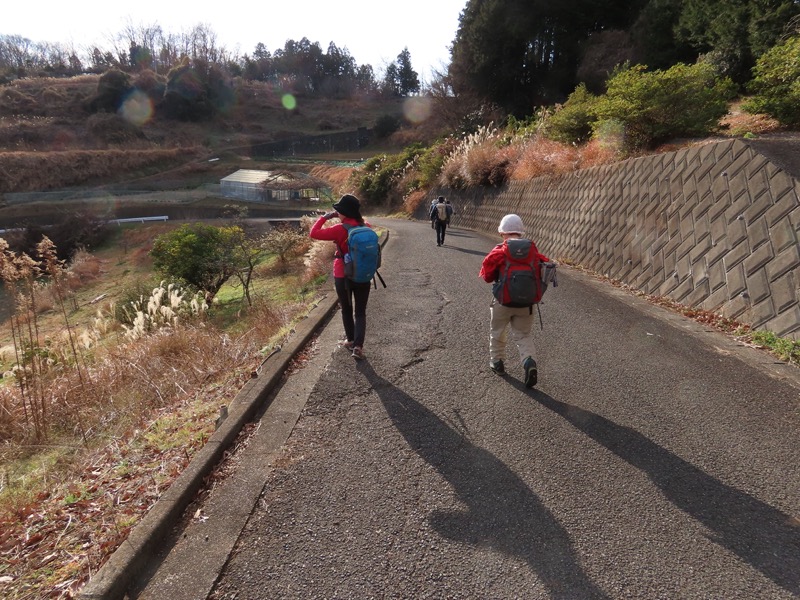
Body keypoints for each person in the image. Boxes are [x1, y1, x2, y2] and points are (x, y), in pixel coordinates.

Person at [478, 214, 550, 388]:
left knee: (497, 331)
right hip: (526, 304)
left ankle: (497, 363)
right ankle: (528, 361)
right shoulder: (532, 251)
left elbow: (487, 276)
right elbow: (545, 268)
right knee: (523, 335)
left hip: (502, 301)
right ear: (520, 232)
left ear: (503, 232)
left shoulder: (500, 251)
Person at [310, 194, 372, 360]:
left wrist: (324, 217)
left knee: (346, 309)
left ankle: (351, 340)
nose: (337, 213)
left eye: (339, 211)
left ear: (344, 212)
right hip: (363, 275)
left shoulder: (340, 229)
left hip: (342, 274)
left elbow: (314, 233)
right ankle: (358, 345)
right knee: (360, 312)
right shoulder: (366, 226)